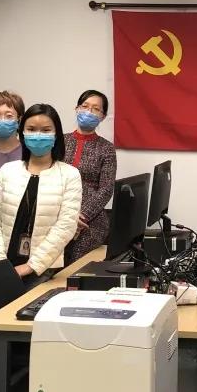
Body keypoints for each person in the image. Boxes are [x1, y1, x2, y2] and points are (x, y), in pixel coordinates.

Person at [0, 103, 82, 277]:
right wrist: (1, 264)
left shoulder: (69, 175)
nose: (38, 135)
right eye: (31, 129)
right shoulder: (7, 170)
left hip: (40, 270)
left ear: (56, 135)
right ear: (22, 133)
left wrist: (30, 267)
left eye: (46, 130)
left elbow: (65, 226)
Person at [63, 89, 117, 265]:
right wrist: (67, 217)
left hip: (90, 219)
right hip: (57, 212)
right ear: (77, 109)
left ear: (102, 116)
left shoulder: (106, 148)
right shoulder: (59, 141)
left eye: (95, 109)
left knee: (77, 264)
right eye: (85, 106)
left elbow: (106, 189)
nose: (89, 111)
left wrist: (82, 215)